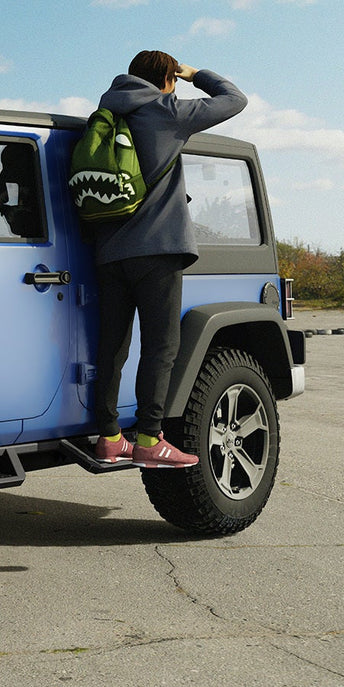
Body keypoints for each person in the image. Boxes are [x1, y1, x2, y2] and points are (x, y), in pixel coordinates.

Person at [91, 51, 247, 468]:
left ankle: (109, 438)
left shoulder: (105, 113)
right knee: (161, 346)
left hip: (107, 250)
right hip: (157, 248)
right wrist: (196, 75)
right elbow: (235, 99)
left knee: (112, 345)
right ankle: (148, 439)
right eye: (174, 77)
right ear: (167, 77)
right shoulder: (166, 110)